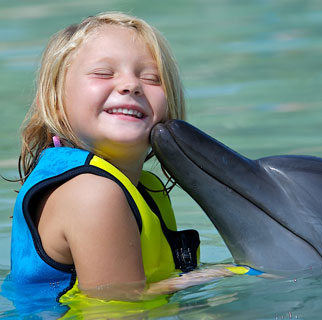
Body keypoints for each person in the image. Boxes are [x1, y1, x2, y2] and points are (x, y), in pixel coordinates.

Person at [6, 12, 237, 305]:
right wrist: (226, 274)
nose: (131, 85)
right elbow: (117, 309)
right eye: (103, 73)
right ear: (55, 100)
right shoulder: (92, 193)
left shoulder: (138, 188)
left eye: (151, 78)